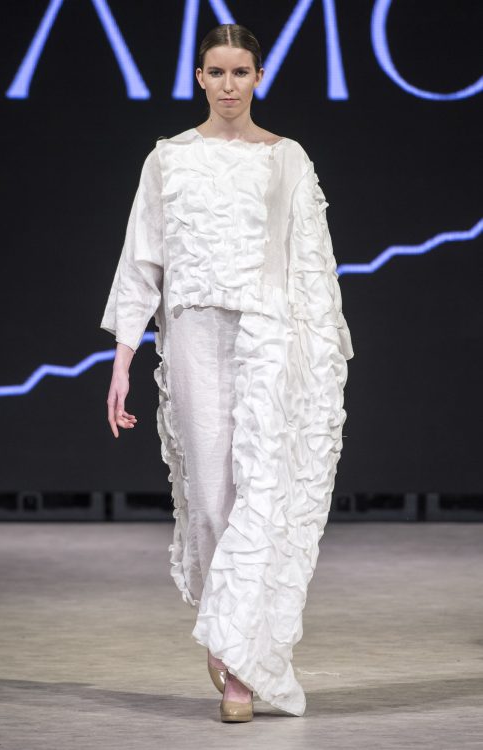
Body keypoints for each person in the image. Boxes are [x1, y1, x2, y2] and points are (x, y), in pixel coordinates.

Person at [100, 23, 354, 722]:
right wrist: (122, 359)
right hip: (193, 331)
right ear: (200, 78)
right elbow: (141, 259)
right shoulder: (169, 159)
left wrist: (320, 354)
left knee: (261, 490)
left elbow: (312, 261)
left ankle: (241, 665)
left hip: (270, 331)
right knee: (212, 497)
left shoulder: (287, 158)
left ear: (259, 77)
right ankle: (228, 628)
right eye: (217, 72)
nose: (229, 85)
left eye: (241, 72)